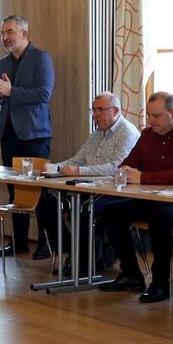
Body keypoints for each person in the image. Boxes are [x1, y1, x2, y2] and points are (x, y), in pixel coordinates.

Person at [99, 92, 173, 303]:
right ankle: (131, 274)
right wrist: (123, 172)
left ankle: (160, 283)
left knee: (160, 219)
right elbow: (130, 161)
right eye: (149, 115)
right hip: (156, 198)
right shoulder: (148, 134)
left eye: (157, 116)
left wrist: (142, 177)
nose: (151, 121)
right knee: (110, 212)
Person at [33, 92, 140, 267]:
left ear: (115, 111)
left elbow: (117, 168)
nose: (95, 115)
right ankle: (71, 251)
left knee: (82, 209)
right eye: (93, 110)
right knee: (46, 205)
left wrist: (80, 171)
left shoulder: (127, 133)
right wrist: (56, 167)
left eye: (100, 110)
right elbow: (77, 160)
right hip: (86, 188)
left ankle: (83, 263)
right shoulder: (96, 134)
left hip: (112, 191)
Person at [0, 14, 55, 254]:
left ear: (24, 34)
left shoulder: (40, 58)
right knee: (15, 189)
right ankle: (20, 242)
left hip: (35, 135)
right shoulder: (3, 63)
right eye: (3, 33)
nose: (5, 37)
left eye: (9, 32)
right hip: (9, 134)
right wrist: (0, 93)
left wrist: (11, 91)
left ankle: (47, 243)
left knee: (39, 191)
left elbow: (44, 94)